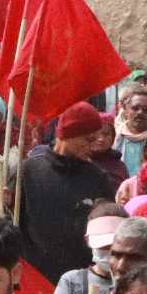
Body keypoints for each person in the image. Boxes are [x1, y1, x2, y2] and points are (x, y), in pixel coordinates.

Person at [16, 101, 115, 281]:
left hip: (81, 281)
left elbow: (106, 230)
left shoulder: (97, 178)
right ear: (68, 134)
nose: (92, 146)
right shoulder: (30, 171)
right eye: (88, 139)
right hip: (35, 278)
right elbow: (16, 223)